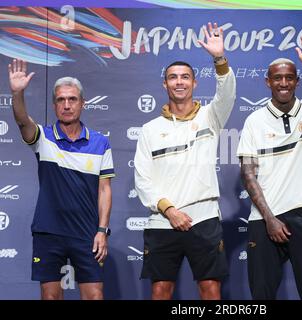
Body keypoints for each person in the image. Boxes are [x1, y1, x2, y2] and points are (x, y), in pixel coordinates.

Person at [134, 22, 236, 300]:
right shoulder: (150, 129)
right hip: (163, 221)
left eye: (185, 77)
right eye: (173, 77)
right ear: (165, 84)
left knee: (210, 288)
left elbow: (227, 94)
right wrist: (170, 211)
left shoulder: (211, 117)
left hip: (204, 218)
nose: (179, 81)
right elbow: (142, 180)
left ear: (194, 83)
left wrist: (219, 59)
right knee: (161, 290)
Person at [237, 32, 302, 299]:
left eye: (289, 77)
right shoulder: (254, 121)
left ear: (297, 80)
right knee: (261, 296)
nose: (283, 83)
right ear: (267, 82)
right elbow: (248, 175)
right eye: (277, 78)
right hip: (264, 219)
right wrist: (270, 218)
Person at [8, 59, 115, 300]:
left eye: (72, 99)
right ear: (55, 105)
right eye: (61, 100)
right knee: (50, 297)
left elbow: (105, 190)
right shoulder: (43, 138)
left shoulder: (100, 142)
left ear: (82, 104)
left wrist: (102, 231)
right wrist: (17, 94)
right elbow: (23, 121)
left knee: (95, 296)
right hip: (49, 232)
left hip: (87, 232)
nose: (66, 105)